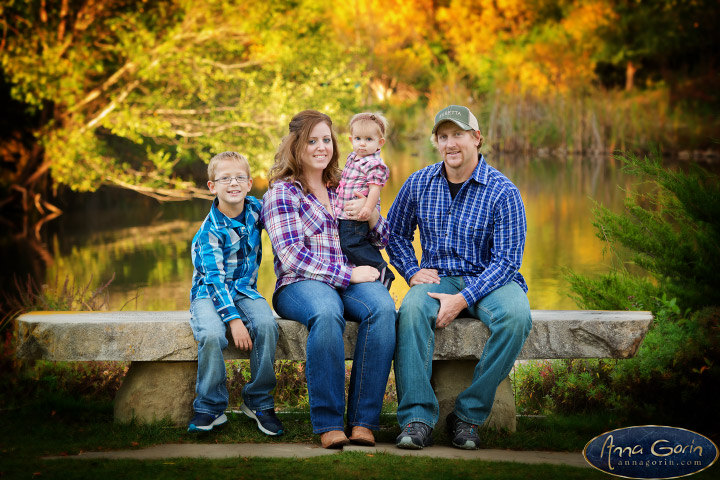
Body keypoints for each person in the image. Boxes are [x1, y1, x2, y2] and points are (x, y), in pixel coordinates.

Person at [385, 105, 532, 450]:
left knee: (515, 317)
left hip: (492, 279)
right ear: (437, 142)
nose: (451, 143)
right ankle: (417, 418)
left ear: (476, 139)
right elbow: (394, 234)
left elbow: (508, 260)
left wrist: (464, 299)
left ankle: (467, 416)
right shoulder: (419, 182)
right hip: (437, 277)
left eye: (459, 135)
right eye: (444, 136)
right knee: (410, 310)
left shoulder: (503, 191)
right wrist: (411, 270)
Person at [262, 110, 396, 449]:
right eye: (312, 141)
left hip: (345, 282)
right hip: (299, 284)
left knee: (381, 306)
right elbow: (291, 255)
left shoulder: (343, 184)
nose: (322, 147)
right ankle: (329, 423)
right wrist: (349, 273)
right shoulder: (282, 193)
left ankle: (364, 422)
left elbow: (381, 238)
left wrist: (372, 212)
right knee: (326, 311)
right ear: (296, 145)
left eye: (326, 140)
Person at [188, 151, 284, 436]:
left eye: (239, 177)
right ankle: (210, 405)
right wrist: (234, 321)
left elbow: (282, 212)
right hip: (208, 293)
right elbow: (215, 282)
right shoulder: (209, 232)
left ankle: (259, 402)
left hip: (244, 289)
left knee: (267, 325)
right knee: (211, 334)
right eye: (225, 178)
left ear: (250, 182)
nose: (233, 183)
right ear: (212, 186)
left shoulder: (256, 209)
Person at [334, 112, 395, 289]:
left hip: (358, 215)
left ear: (380, 143)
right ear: (351, 139)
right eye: (358, 138)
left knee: (351, 244)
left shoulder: (374, 164)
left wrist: (368, 209)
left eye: (368, 139)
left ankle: (381, 268)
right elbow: (347, 179)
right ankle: (371, 270)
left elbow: (375, 189)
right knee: (351, 243)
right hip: (346, 214)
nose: (362, 143)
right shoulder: (353, 158)